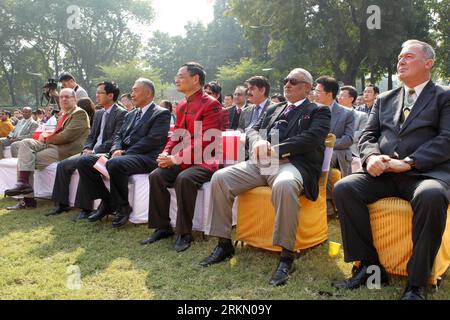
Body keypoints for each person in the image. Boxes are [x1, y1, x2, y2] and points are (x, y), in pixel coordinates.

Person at [331, 40, 450, 300]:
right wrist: (372, 156)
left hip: (423, 174)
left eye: (409, 56)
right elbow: (368, 136)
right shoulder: (385, 99)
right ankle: (370, 267)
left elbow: (447, 139)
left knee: (432, 195)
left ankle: (416, 284)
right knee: (344, 187)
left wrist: (410, 162)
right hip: (384, 173)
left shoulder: (444, 96)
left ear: (428, 63)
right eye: (399, 57)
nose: (401, 61)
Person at [200, 68, 331, 287]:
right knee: (220, 178)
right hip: (261, 163)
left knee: (285, 185)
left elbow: (311, 138)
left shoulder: (318, 110)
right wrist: (258, 141)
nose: (287, 84)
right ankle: (223, 243)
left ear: (307, 87)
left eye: (293, 81)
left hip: (293, 164)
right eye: (285, 80)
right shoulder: (274, 107)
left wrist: (276, 149)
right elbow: (251, 129)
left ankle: (286, 256)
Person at [140, 62, 227, 252]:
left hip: (206, 159)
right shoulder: (181, 105)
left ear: (195, 79)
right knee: (157, 175)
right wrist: (166, 152)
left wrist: (176, 158)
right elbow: (178, 134)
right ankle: (162, 227)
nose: (176, 80)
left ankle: (184, 232)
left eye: (181, 76)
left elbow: (206, 141)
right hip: (183, 157)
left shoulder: (212, 105)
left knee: (184, 178)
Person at [76, 78, 170, 228]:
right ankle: (107, 201)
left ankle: (123, 207)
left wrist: (124, 152)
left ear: (148, 93)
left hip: (145, 157)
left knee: (115, 163)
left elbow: (152, 141)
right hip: (123, 154)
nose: (132, 94)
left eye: (135, 90)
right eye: (132, 90)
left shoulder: (161, 113)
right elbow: (119, 135)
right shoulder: (131, 114)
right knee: (84, 161)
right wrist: (115, 149)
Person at [47, 82, 126, 220]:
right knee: (62, 165)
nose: (96, 95)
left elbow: (116, 138)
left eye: (100, 93)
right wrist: (88, 147)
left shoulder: (121, 113)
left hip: (106, 152)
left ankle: (85, 208)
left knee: (84, 164)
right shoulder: (99, 112)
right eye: (96, 92)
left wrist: (94, 150)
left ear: (110, 95)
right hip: (91, 150)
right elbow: (91, 136)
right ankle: (61, 204)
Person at [4, 88, 90, 210]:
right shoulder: (63, 114)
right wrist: (46, 136)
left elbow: (66, 137)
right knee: (25, 143)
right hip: (55, 144)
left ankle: (27, 200)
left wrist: (46, 138)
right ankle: (23, 183)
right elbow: (58, 133)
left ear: (74, 99)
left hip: (66, 149)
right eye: (61, 97)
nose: (63, 99)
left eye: (67, 97)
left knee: (26, 160)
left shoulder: (79, 113)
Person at [314, 76, 355, 218]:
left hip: (338, 152)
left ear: (329, 94)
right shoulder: (312, 110)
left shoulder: (347, 113)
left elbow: (349, 139)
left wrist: (328, 145)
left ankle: (328, 202)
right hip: (316, 150)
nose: (315, 94)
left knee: (326, 156)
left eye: (318, 91)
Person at [339, 85, 368, 157]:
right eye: (339, 95)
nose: (339, 98)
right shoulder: (332, 114)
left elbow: (362, 133)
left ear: (351, 99)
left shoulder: (362, 116)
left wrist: (340, 138)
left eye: (342, 95)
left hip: (352, 152)